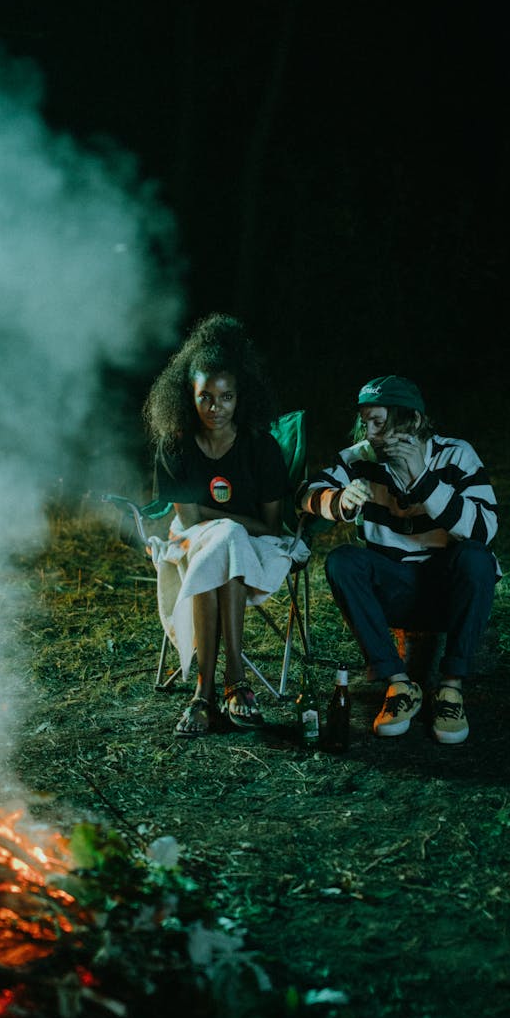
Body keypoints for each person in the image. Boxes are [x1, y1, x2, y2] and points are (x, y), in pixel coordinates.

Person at [300, 375, 499, 744]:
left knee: (477, 558)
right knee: (343, 560)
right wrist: (339, 502)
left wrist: (423, 481)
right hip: (393, 589)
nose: (371, 432)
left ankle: (451, 690)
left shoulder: (456, 455)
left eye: (380, 422)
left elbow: (485, 530)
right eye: (366, 422)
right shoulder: (360, 458)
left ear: (415, 421)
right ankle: (399, 685)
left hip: (447, 590)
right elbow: (307, 494)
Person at [143, 313, 306, 737]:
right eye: (206, 399)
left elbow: (270, 527)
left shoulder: (260, 447)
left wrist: (222, 521)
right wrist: (231, 522)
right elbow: (187, 522)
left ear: (241, 397)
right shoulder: (176, 446)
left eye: (227, 397)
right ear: (188, 398)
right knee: (225, 540)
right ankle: (236, 682)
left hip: (256, 548)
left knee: (228, 539)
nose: (216, 409)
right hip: (197, 545)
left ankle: (203, 694)